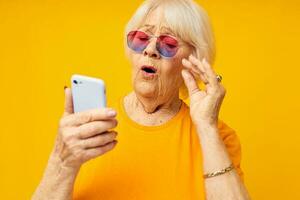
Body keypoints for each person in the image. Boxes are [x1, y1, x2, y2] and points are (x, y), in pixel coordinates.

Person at [32, 0, 250, 199]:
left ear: (194, 61)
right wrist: (62, 162)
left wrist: (206, 127)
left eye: (168, 43)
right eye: (141, 39)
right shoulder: (87, 132)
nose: (150, 50)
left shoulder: (218, 137)